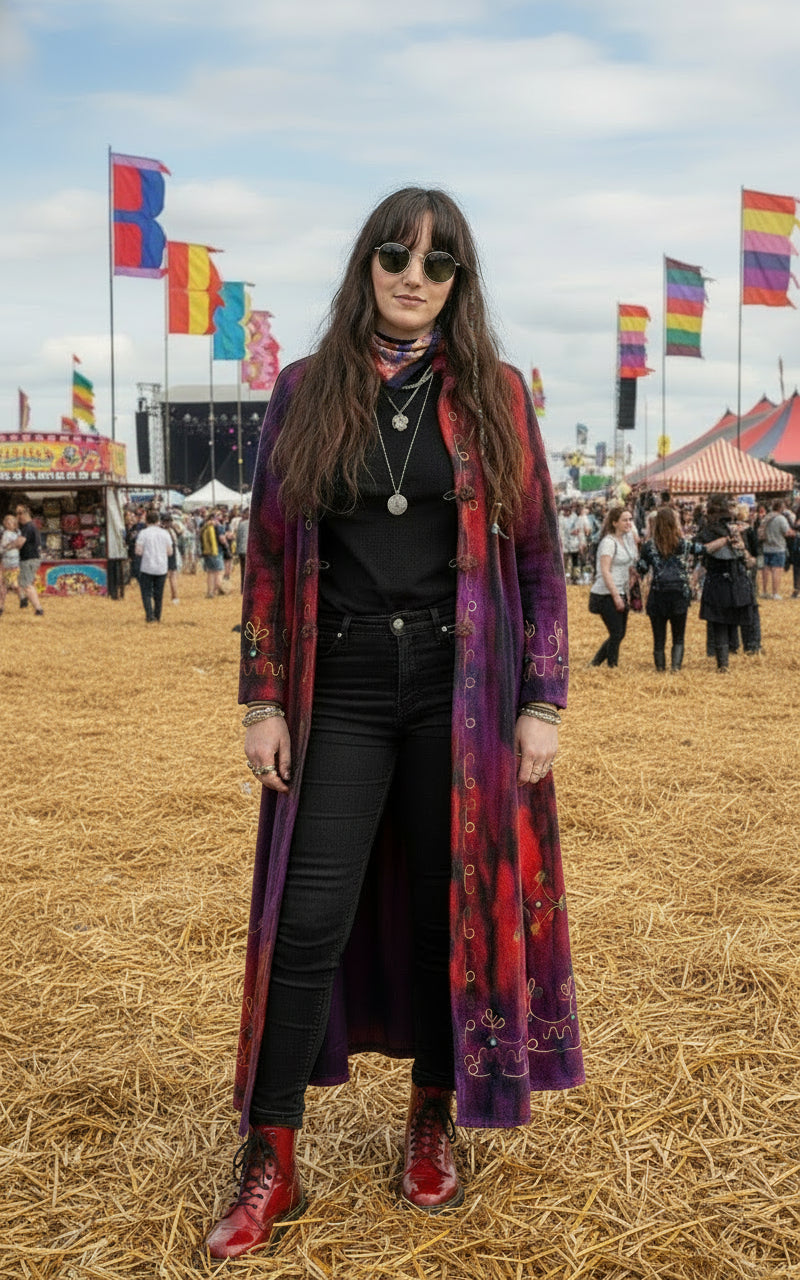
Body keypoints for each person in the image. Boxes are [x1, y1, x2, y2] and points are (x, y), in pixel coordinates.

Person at [204, 187, 584, 1260]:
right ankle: (271, 1154)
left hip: (464, 689)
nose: (412, 275)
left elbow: (538, 559)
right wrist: (264, 698)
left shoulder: (497, 394)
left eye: (436, 262)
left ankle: (429, 1120)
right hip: (346, 687)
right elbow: (271, 555)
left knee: (442, 908)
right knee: (307, 916)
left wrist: (542, 698)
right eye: (393, 254)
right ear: (365, 264)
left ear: (458, 281)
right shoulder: (304, 389)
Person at [695, 493, 756, 671]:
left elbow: (698, 551)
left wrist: (740, 549)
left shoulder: (709, 532)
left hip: (719, 580)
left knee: (720, 622)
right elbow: (749, 561)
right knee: (729, 620)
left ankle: (723, 663)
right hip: (735, 579)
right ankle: (736, 652)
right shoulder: (735, 530)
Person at [637, 506, 691, 671]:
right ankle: (676, 668)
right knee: (678, 636)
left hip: (658, 593)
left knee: (658, 638)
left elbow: (642, 569)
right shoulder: (683, 545)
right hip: (679, 592)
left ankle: (660, 669)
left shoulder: (649, 547)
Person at [587, 504, 637, 668]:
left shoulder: (627, 540)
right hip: (605, 593)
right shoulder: (608, 542)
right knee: (616, 633)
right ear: (615, 522)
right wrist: (616, 596)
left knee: (620, 633)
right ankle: (611, 666)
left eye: (630, 519)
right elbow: (605, 571)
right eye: (625, 520)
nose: (629, 523)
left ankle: (596, 663)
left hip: (621, 590)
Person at [134, 509, 173, 623]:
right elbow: (170, 552)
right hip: (161, 567)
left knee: (146, 592)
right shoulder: (165, 533)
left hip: (147, 566)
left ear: (146, 520)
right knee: (158, 594)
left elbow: (138, 551)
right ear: (158, 520)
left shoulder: (143, 533)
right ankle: (157, 616)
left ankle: (149, 615)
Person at [758, 498, 794, 599]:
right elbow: (787, 532)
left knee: (765, 570)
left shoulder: (766, 517)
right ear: (781, 507)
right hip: (778, 547)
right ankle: (775, 593)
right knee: (776, 570)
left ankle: (764, 591)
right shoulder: (781, 518)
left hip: (766, 546)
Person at [15, 505, 44, 616]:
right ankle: (24, 601)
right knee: (24, 583)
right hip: (30, 559)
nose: (17, 517)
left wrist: (8, 546)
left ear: (25, 513)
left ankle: (38, 609)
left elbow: (20, 542)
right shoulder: (30, 526)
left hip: (28, 559)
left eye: (19, 513)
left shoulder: (28, 527)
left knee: (27, 585)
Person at [0, 513, 23, 614]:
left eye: (11, 522)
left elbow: (3, 548)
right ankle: (1, 606)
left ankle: (22, 597)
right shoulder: (7, 533)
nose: (8, 524)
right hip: (5, 562)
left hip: (12, 562)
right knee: (3, 585)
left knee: (13, 584)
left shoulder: (15, 534)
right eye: (7, 522)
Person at [234, 507, 249, 592]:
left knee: (242, 569)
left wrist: (237, 550)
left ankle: (242, 588)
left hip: (241, 550)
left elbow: (238, 537)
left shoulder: (241, 524)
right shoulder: (253, 524)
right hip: (248, 550)